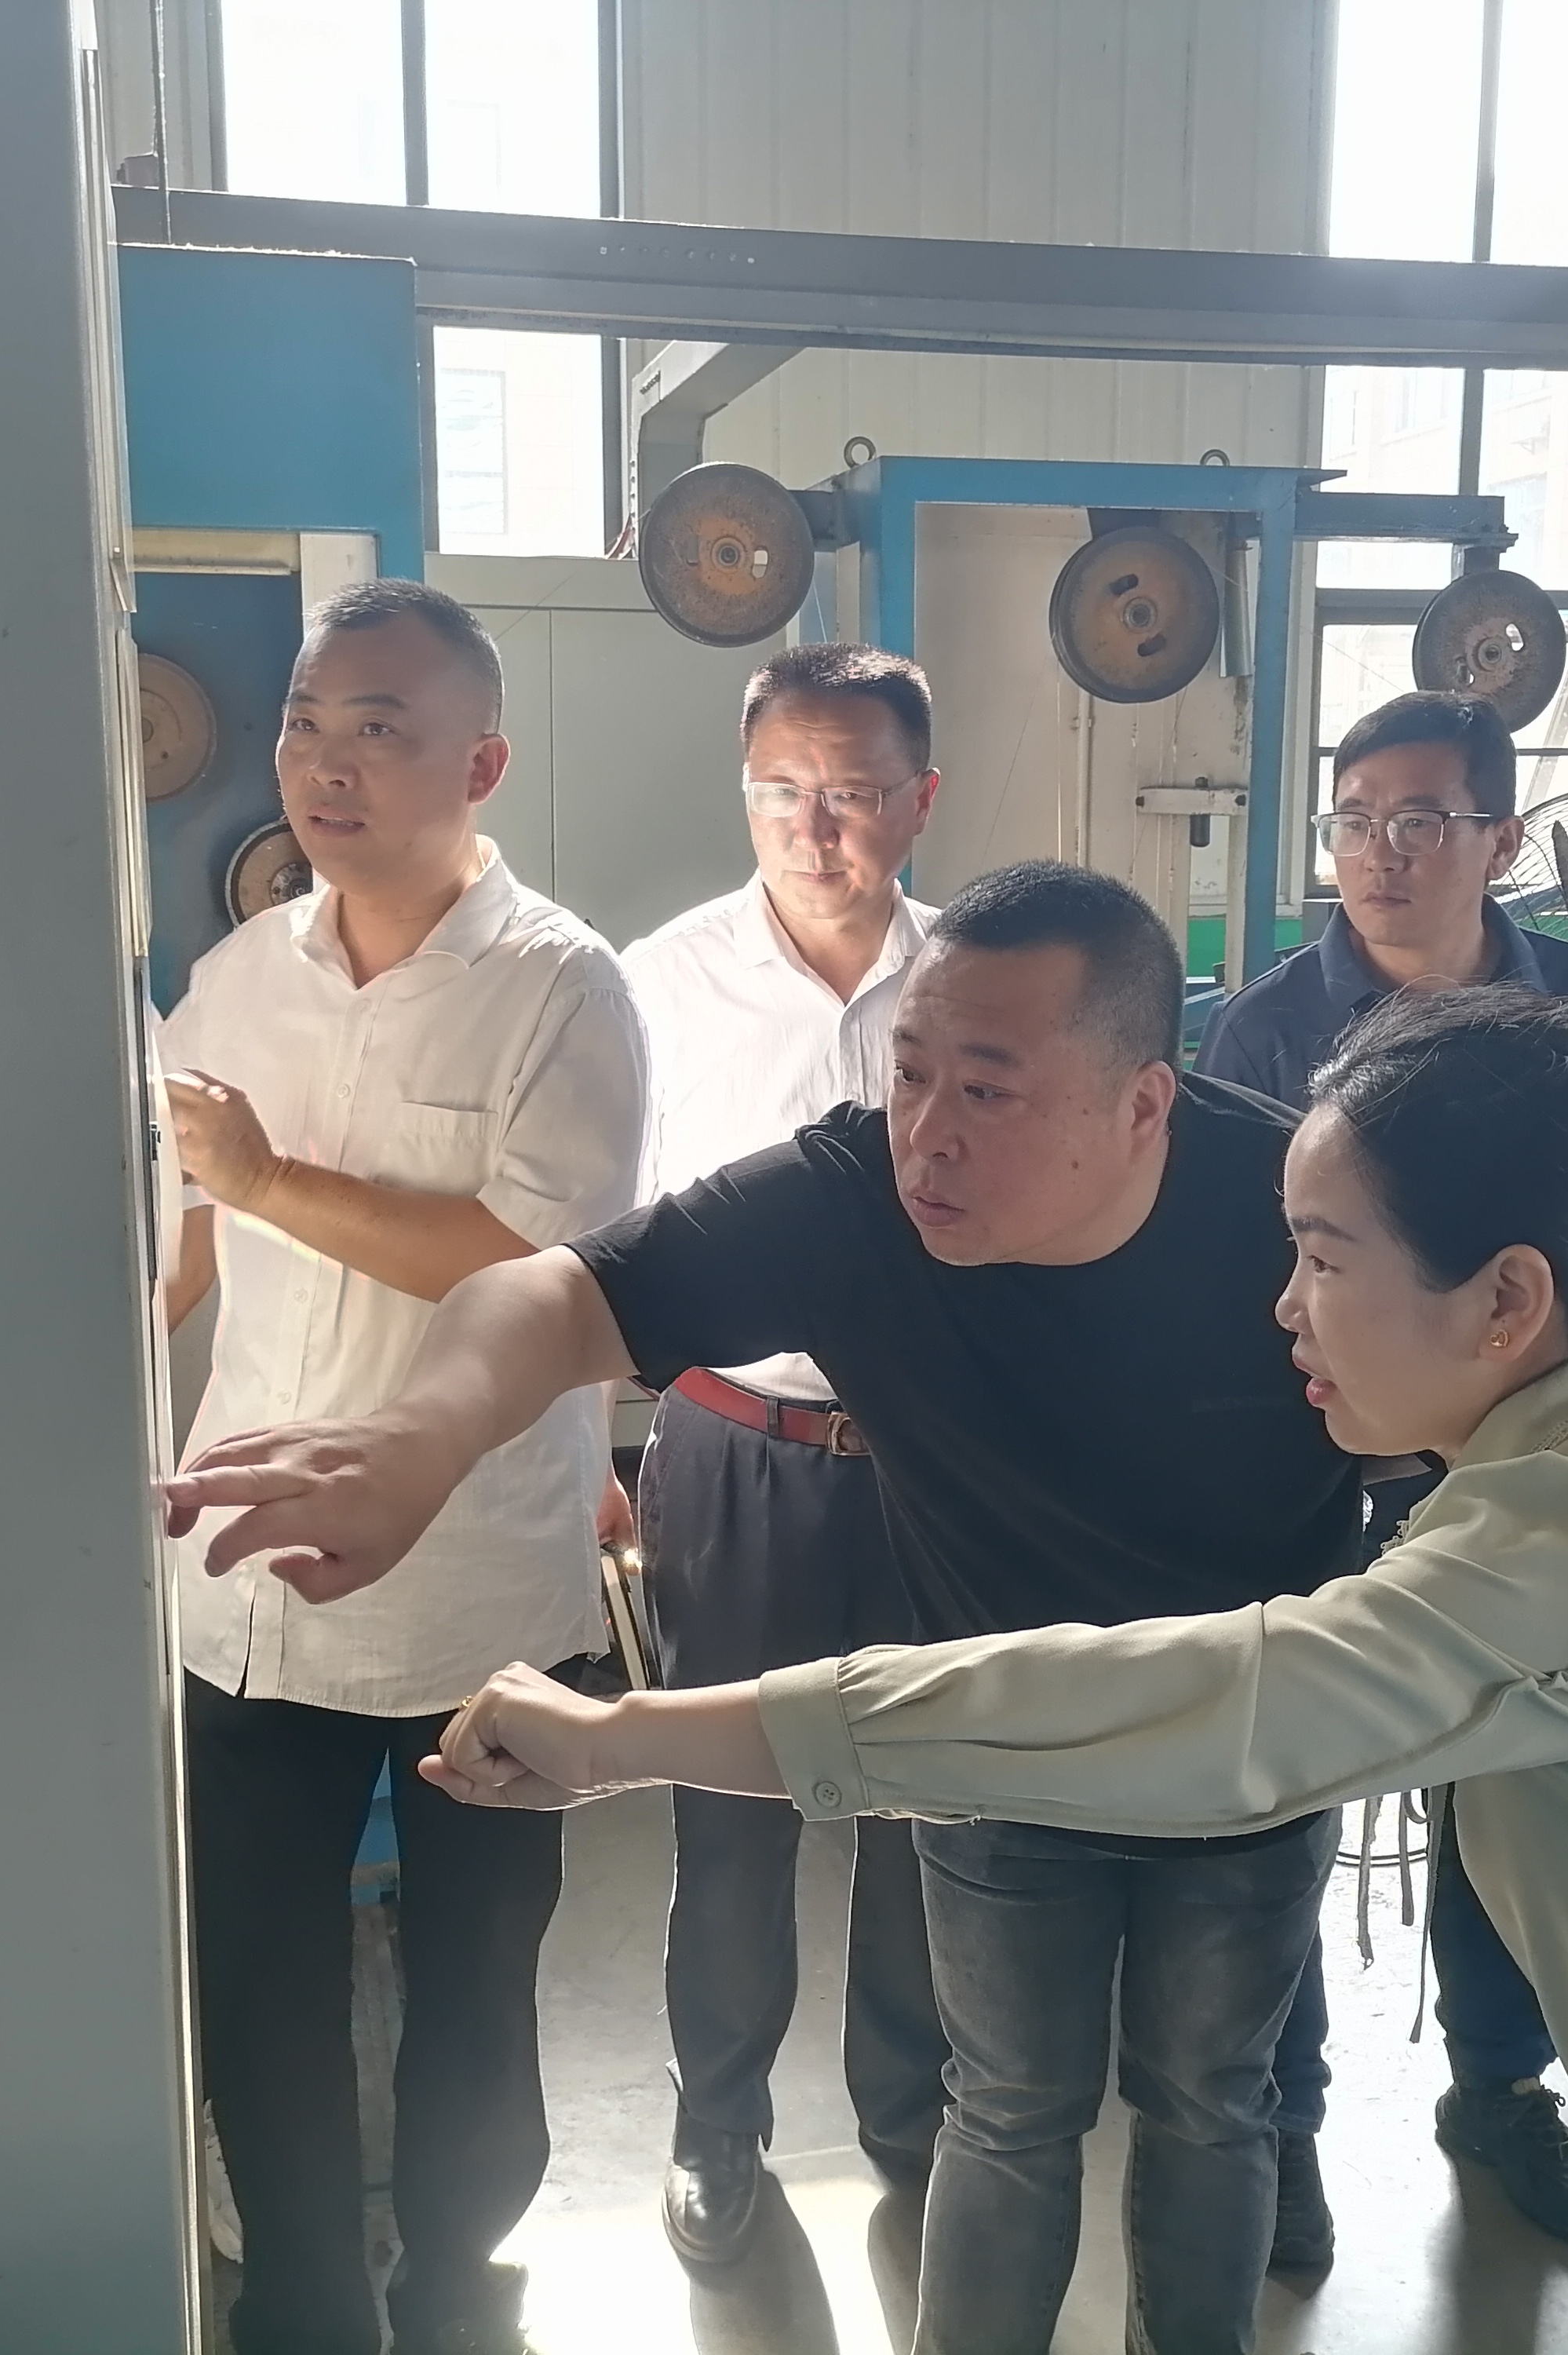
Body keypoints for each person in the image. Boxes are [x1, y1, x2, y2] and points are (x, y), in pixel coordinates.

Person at [424, 988, 1568, 2355]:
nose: (1280, 1306)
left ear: (1504, 1299)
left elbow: (1190, 1709)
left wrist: (627, 1737)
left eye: (1321, 1258)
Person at [164, 862, 1363, 2355]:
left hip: (1248, 1740)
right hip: (998, 1745)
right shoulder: (857, 1199)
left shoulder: (1302, 1215)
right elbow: (558, 1293)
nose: (929, 1132)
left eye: (989, 1091)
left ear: (1144, 1105)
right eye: (911, 1071)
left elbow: (1476, 1417)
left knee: (1211, 2099)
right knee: (1008, 2106)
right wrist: (421, 1439)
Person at [157, 578, 647, 2355]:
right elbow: (176, 1244)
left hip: (480, 1595)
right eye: (307, 723)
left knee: (475, 1989)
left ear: (481, 765)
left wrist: (270, 1183)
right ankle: (301, 2305)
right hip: (249, 1594)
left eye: (380, 729)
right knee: (257, 1985)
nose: (326, 765)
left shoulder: (558, 987)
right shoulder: (233, 980)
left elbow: (537, 1266)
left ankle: (455, 2299)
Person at [1197, 688, 1568, 2256]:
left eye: (1417, 820)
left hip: (1524, 1455)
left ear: (1499, 839)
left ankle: (1500, 2088)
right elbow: (1244, 1270)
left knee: (1512, 1781)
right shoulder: (1266, 1028)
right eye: (1352, 821)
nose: (1377, 853)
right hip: (1319, 1456)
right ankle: (1283, 2115)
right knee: (1291, 1776)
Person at [616, 644, 950, 2265]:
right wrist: (581, 1446)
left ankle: (913, 2121)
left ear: (920, 800)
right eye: (781, 792)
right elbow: (598, 1238)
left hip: (938, 1459)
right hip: (735, 1445)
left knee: (928, 1800)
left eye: (854, 792)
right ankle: (715, 2131)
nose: (816, 828)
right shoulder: (656, 984)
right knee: (727, 1810)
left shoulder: (973, 982)